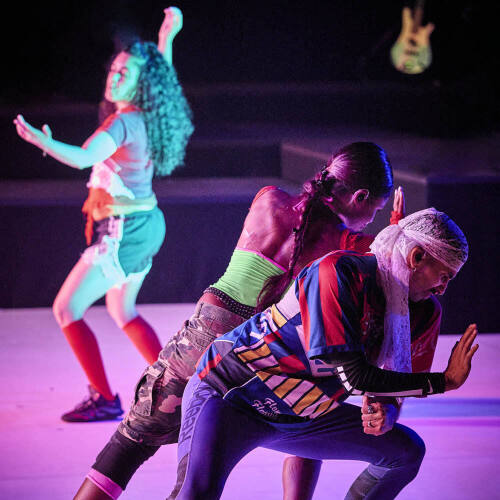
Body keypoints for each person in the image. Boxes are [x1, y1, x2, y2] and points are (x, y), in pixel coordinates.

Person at [74, 141, 413, 500]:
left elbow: (293, 233)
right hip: (255, 358)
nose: (372, 218)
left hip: (204, 335)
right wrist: (394, 231)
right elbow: (396, 268)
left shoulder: (268, 198)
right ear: (360, 197)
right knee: (307, 414)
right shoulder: (349, 248)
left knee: (128, 446)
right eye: (375, 209)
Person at [169, 207, 477, 500]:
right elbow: (354, 376)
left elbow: (399, 384)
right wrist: (444, 381)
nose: (443, 289)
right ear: (417, 256)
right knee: (197, 494)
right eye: (444, 276)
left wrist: (387, 411)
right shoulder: (338, 272)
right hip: (233, 396)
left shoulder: (424, 313)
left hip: (302, 415)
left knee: (406, 453)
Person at [13, 6, 194, 422]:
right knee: (122, 310)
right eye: (113, 69)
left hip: (125, 231)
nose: (114, 77)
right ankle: (181, 391)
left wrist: (42, 142)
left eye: (124, 73)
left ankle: (106, 399)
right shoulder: (150, 113)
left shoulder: (123, 124)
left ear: (140, 84)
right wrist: (166, 39)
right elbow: (162, 75)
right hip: (147, 224)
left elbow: (83, 158)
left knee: (66, 309)